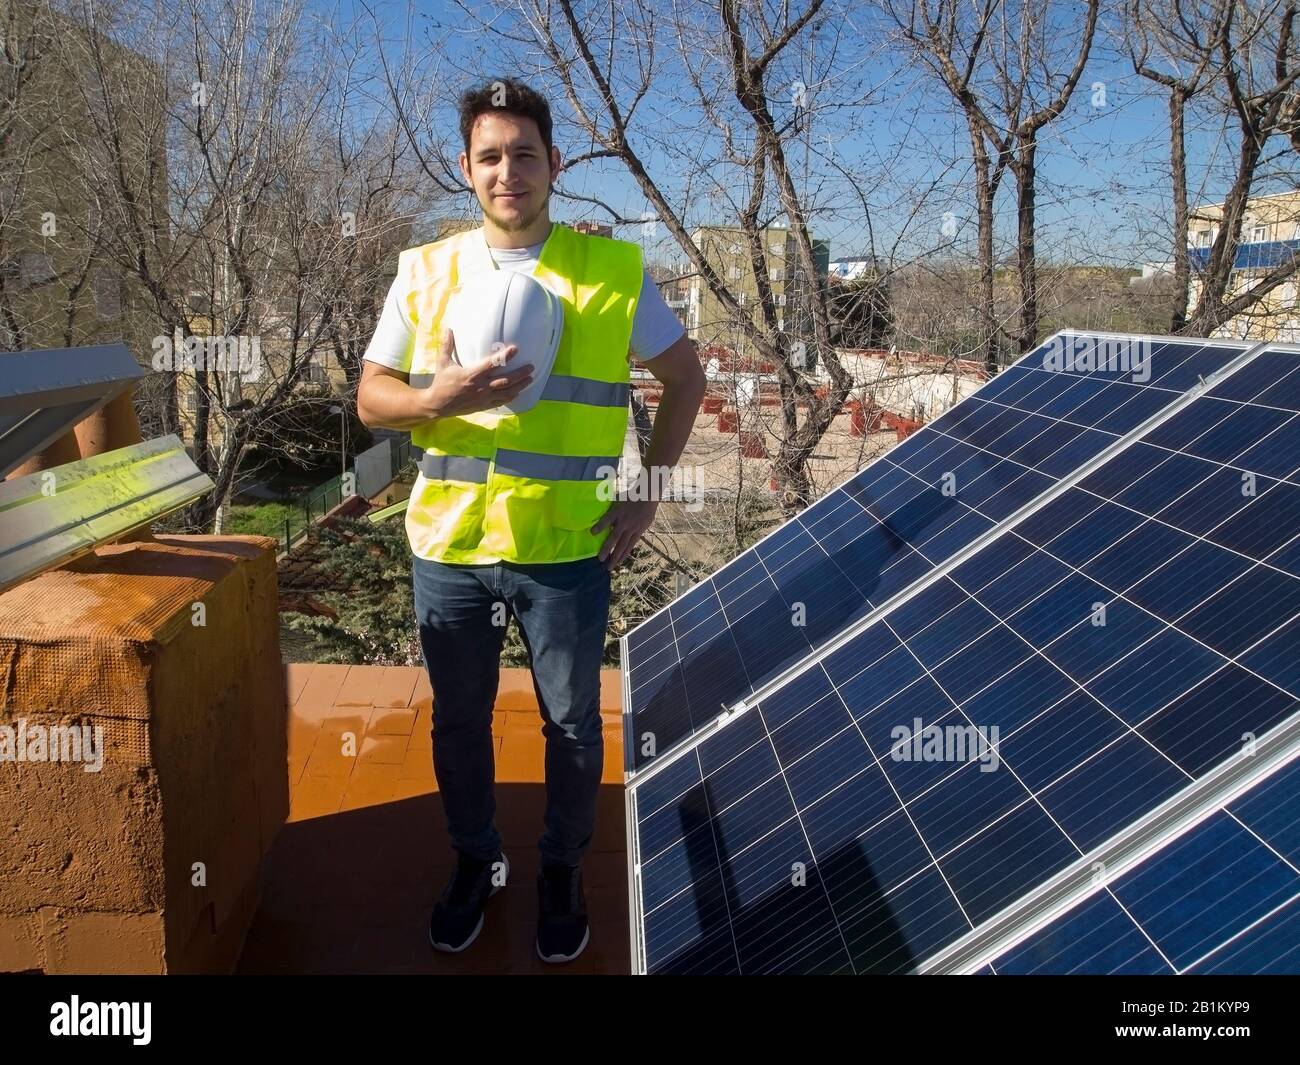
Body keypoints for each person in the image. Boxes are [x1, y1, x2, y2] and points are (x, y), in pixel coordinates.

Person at [356, 77, 706, 963]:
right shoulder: (424, 270)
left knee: (575, 726)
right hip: (451, 547)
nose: (507, 171)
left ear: (554, 163)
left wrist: (650, 486)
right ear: (466, 170)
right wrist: (434, 395)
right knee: (459, 722)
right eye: (489, 156)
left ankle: (559, 868)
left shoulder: (612, 271)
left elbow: (687, 377)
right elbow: (371, 399)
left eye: (523, 154)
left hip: (565, 547)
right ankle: (478, 862)